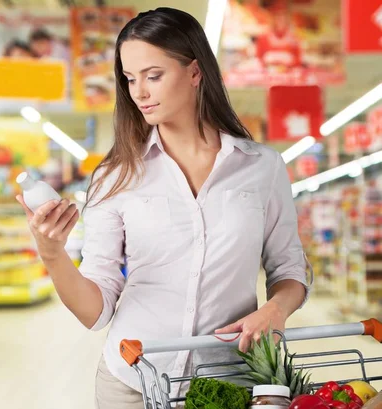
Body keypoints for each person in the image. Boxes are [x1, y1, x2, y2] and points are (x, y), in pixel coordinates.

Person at [16, 7, 309, 409]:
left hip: (226, 382)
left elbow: (290, 268)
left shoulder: (261, 167)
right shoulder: (115, 176)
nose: (139, 92)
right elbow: (95, 312)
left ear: (194, 72)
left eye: (153, 76)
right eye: (130, 79)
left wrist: (277, 308)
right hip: (133, 381)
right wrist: (52, 254)